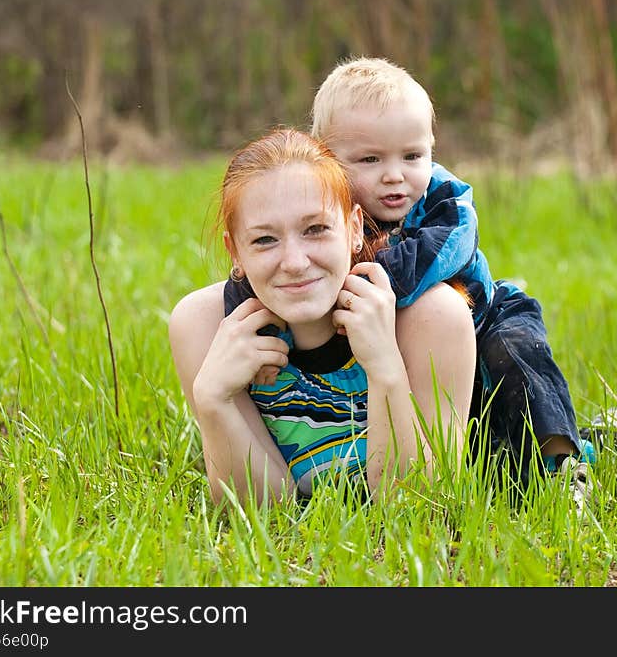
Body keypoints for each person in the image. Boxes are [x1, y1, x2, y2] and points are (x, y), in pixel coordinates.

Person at [225, 56, 592, 504]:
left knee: (522, 368)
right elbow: (247, 287)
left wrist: (362, 290)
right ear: (325, 157)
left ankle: (564, 463)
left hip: (486, 316)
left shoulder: (444, 203)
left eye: (412, 156)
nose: (395, 175)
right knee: (483, 442)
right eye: (370, 159)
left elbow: (434, 259)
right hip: (425, 348)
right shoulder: (322, 209)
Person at [169, 128, 476, 506]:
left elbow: (419, 503)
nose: (295, 263)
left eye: (315, 229)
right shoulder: (204, 325)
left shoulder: (433, 318)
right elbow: (266, 513)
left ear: (353, 230)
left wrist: (385, 368)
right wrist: (215, 399)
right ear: (235, 252)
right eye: (265, 240)